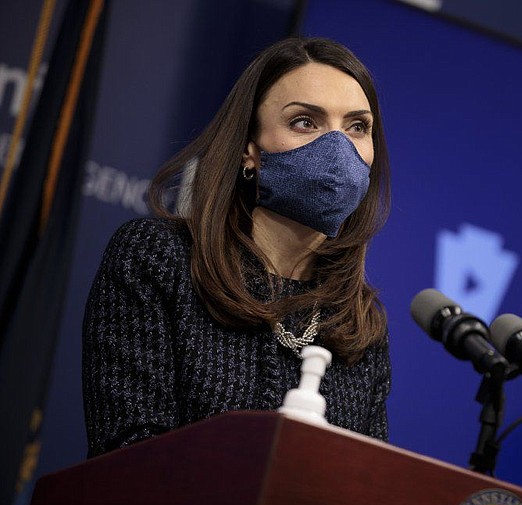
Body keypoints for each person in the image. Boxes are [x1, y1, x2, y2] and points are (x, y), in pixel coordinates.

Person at [82, 37, 391, 458]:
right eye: (305, 121)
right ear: (250, 149)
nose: (339, 149)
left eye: (357, 127)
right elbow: (127, 456)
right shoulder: (157, 259)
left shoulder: (359, 323)